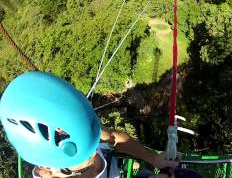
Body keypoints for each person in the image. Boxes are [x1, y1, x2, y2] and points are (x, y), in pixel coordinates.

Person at [0, 71, 179, 178]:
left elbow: (114, 138)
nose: (95, 149)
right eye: (86, 154)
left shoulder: (76, 133)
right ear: (47, 168)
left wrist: (152, 159)